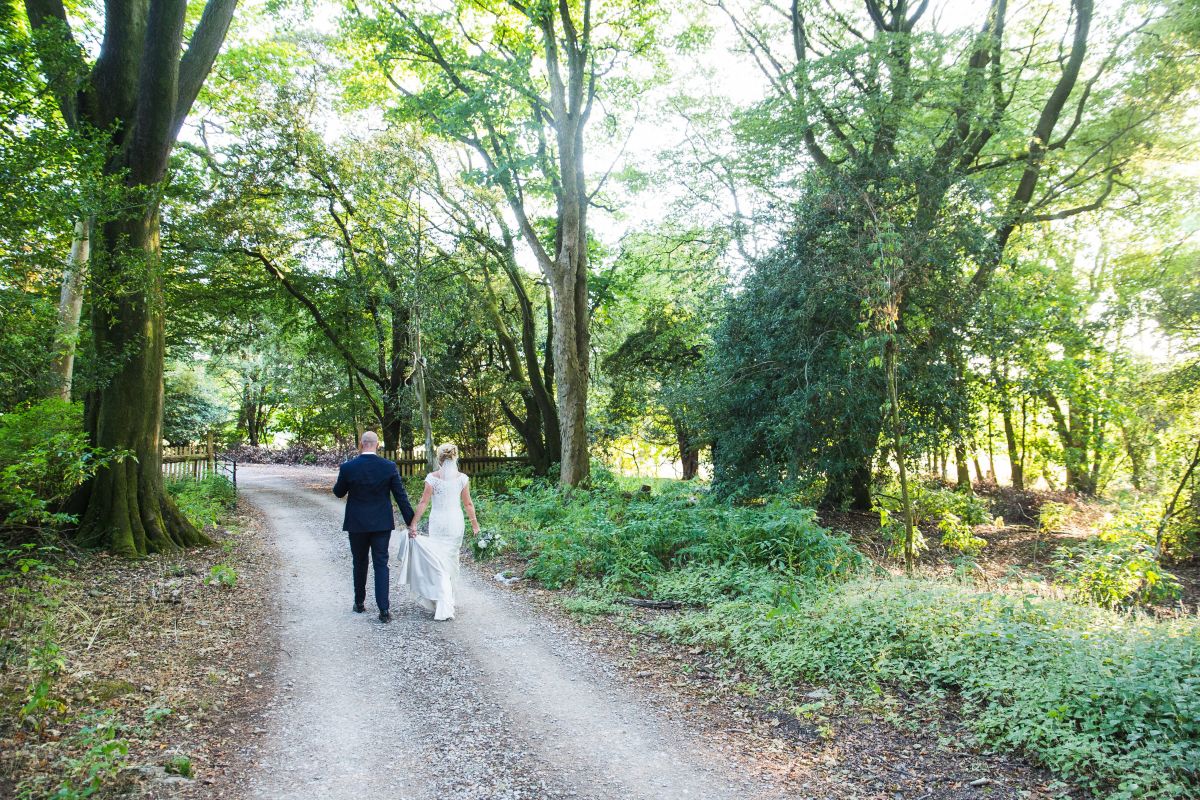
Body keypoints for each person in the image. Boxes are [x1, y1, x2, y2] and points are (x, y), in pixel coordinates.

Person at [332, 431, 415, 623]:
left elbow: (338, 493)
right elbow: (400, 496)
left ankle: (359, 603)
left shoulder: (348, 467)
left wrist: (344, 479)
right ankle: (384, 610)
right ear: (377, 445)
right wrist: (411, 522)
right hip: (381, 523)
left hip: (357, 523)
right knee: (381, 563)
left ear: (361, 444)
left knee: (359, 562)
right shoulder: (388, 467)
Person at [396, 443, 480, 621]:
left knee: (438, 562)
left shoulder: (432, 478)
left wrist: (414, 523)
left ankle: (442, 600)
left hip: (438, 523)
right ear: (455, 457)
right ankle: (448, 599)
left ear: (439, 458)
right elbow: (468, 504)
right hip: (455, 523)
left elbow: (423, 503)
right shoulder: (462, 478)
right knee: (451, 560)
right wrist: (475, 524)